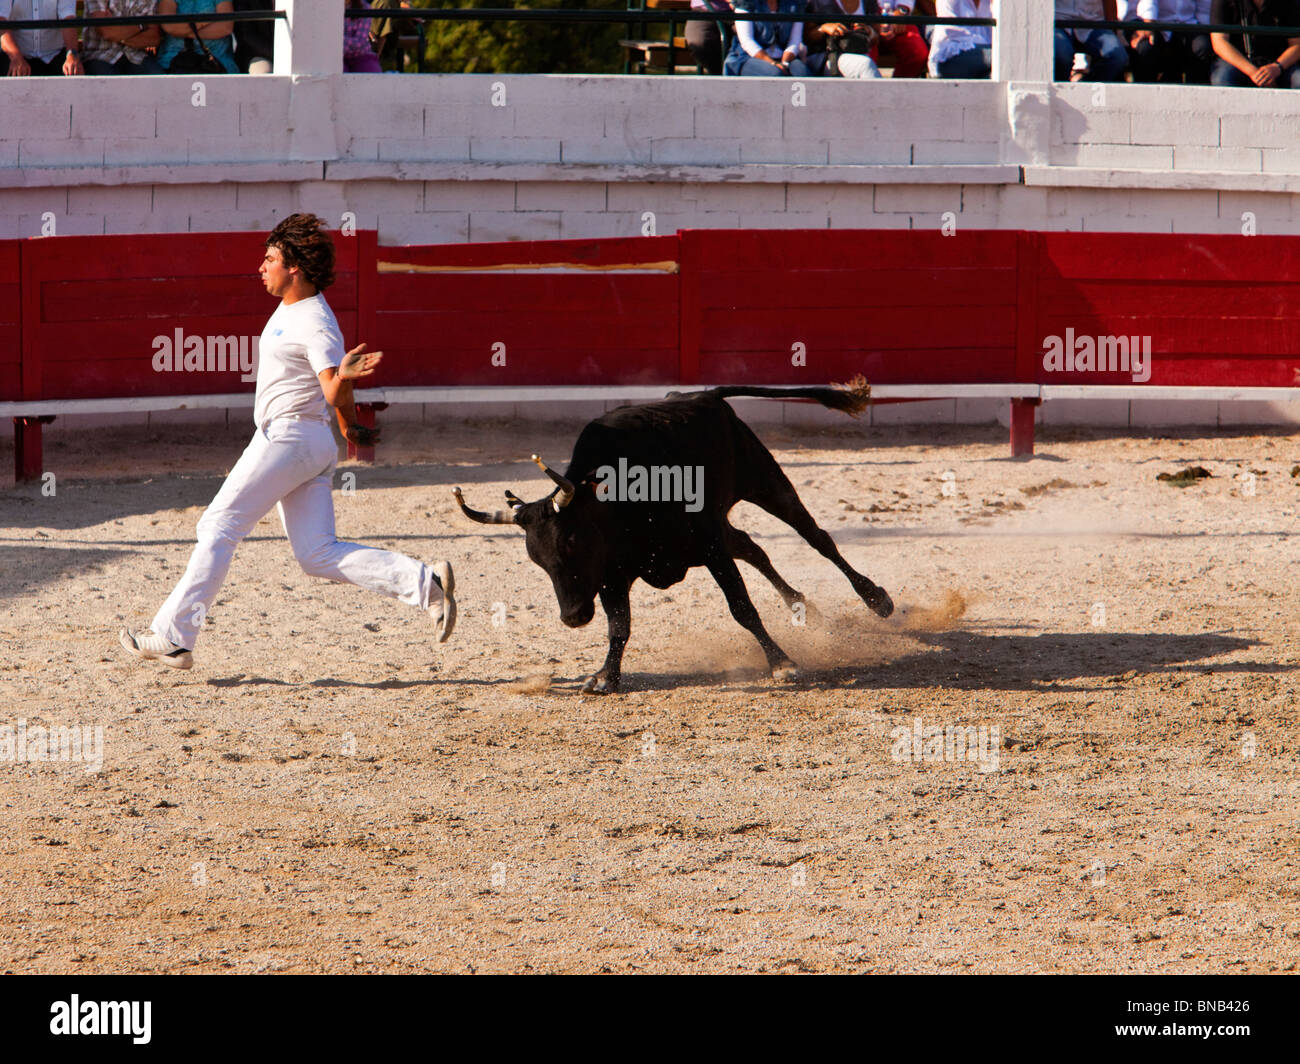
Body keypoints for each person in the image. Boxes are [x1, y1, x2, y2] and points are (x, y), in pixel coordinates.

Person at [120, 214, 457, 670]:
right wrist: (349, 426)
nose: (261, 266)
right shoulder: (295, 310)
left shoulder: (316, 322)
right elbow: (332, 394)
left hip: (289, 438)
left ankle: (174, 636)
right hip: (307, 441)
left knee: (218, 526)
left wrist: (342, 381)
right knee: (317, 554)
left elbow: (330, 386)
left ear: (294, 267)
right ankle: (425, 583)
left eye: (271, 259)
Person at [1209, 0, 1300, 86]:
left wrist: (1277, 67)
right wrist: (1254, 72)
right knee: (1222, 78)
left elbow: (1297, 44)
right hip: (1238, 61)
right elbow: (1220, 42)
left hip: (1279, 62)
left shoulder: (1288, 2)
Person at [1123, 1, 1213, 83]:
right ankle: (1143, 95)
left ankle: (1195, 95)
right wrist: (1148, 24)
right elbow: (1149, 3)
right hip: (1156, 23)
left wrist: (1206, 31)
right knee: (1145, 48)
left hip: (1188, 23)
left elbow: (1204, 9)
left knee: (1202, 46)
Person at [723, 0, 810, 75]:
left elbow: (795, 40)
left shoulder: (796, 3)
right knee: (775, 74)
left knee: (802, 73)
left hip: (785, 56)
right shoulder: (745, 3)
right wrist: (772, 63)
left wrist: (784, 63)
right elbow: (747, 41)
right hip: (749, 57)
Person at [0, 0, 82, 76]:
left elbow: (68, 19)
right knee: (10, 73)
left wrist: (72, 55)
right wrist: (16, 57)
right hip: (15, 55)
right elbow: (2, 23)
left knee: (74, 71)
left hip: (55, 54)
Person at [83, 0, 164, 76]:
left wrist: (118, 33)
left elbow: (154, 38)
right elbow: (106, 32)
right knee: (107, 82)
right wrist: (142, 25)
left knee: (159, 80)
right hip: (101, 56)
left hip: (137, 56)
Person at [806, 0, 883, 78]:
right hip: (827, 55)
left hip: (859, 53)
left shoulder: (869, 2)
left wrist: (868, 30)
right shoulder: (818, 2)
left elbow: (876, 37)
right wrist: (823, 28)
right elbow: (807, 37)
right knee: (864, 64)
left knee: (864, 63)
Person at [157, 0, 239, 74]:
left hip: (218, 63)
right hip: (172, 62)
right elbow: (169, 25)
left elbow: (225, 28)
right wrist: (202, 22)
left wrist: (185, 31)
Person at [1055, 0, 1129, 81]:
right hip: (1057, 21)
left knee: (1117, 56)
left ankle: (1087, 90)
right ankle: (1058, 90)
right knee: (1061, 56)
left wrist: (1113, 31)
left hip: (1093, 22)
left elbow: (1109, 2)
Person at [927, 0, 993, 78]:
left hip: (984, 59)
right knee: (999, 57)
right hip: (950, 57)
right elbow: (956, 35)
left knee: (995, 75)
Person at [875, 1, 930, 76]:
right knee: (863, 54)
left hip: (894, 19)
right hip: (865, 21)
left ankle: (899, 87)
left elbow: (904, 6)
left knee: (917, 52)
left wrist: (900, 12)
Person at [687, 0, 732, 75]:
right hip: (702, 11)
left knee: (750, 41)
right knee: (698, 43)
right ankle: (717, 76)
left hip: (741, 11)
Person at [232, 0, 273, 74]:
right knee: (264, 74)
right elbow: (245, 36)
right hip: (256, 55)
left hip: (293, 56)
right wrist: (280, 54)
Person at [344, 0, 381, 72]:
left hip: (361, 55)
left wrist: (338, 41)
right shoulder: (327, 9)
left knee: (372, 71)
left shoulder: (365, 8)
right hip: (335, 56)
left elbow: (360, 42)